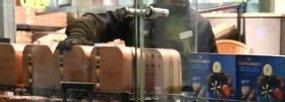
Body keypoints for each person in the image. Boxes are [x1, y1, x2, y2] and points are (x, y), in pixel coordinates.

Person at [59, 0, 216, 63]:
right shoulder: (140, 15)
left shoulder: (200, 26)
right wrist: (78, 35)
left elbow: (211, 81)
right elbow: (94, 22)